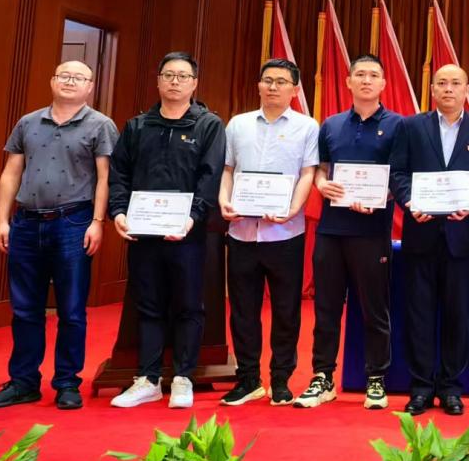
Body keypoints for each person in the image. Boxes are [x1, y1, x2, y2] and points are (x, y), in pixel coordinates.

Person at [0, 61, 118, 411]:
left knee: (71, 310)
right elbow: (11, 172)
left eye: (79, 78)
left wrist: (98, 221)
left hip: (73, 223)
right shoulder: (28, 122)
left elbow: (106, 178)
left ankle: (67, 382)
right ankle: (23, 382)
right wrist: (2, 221)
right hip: (26, 223)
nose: (70, 81)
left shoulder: (100, 125)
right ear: (53, 81)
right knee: (25, 309)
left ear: (90, 86)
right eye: (64, 76)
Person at [107, 51, 226, 409]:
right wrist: (118, 211)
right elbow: (119, 174)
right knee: (148, 305)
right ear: (158, 80)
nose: (175, 81)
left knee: (189, 305)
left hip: (188, 233)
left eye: (182, 76)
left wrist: (193, 217)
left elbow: (210, 176)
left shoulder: (208, 125)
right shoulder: (137, 126)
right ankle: (148, 379)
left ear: (194, 83)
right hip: (143, 233)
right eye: (168, 75)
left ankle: (183, 377)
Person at [296, 54, 405, 411]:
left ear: (383, 83)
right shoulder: (331, 124)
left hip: (372, 230)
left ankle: (376, 378)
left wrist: (380, 196)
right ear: (348, 81)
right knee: (326, 307)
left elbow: (400, 177)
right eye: (360, 74)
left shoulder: (398, 125)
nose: (366, 80)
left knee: (375, 308)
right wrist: (322, 185)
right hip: (332, 229)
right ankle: (322, 377)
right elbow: (321, 169)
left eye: (373, 75)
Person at [390, 64, 469, 416]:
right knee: (419, 314)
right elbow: (398, 173)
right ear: (432, 89)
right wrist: (410, 202)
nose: (448, 89)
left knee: (457, 314)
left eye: (455, 83)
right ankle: (420, 387)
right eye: (442, 83)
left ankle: (451, 387)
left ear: (467, 88)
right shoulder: (410, 126)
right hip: (420, 233)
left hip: (462, 236)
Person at [218, 58, 319, 407]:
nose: (273, 87)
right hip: (242, 231)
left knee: (286, 310)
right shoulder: (238, 124)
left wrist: (293, 208)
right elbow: (228, 169)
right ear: (259, 85)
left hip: (285, 233)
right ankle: (248, 379)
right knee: (242, 309)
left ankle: (280, 379)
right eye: (267, 80)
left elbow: (308, 173)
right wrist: (224, 201)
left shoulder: (307, 127)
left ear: (295, 89)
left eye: (281, 81)